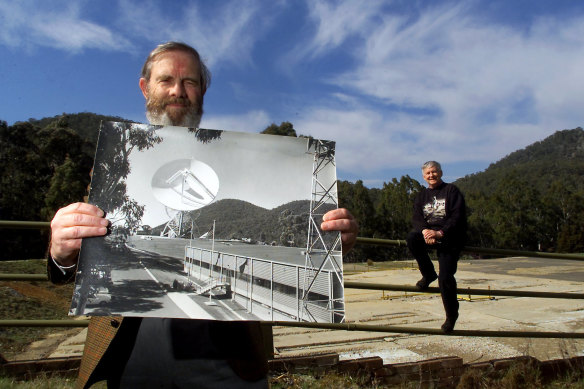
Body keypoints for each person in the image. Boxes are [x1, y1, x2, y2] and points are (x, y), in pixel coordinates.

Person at [48, 41, 359, 388]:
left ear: (203, 91)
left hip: (229, 367)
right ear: (144, 87)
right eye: (166, 80)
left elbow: (321, 254)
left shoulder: (240, 152)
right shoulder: (115, 161)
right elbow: (76, 266)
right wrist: (62, 252)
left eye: (190, 82)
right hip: (130, 364)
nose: (178, 91)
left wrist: (332, 243)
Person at [406, 161, 467, 333]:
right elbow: (417, 217)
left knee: (445, 278)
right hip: (429, 233)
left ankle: (451, 316)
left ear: (440, 172)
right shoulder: (421, 196)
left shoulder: (451, 191)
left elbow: (457, 216)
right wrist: (425, 231)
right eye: (428, 173)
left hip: (449, 237)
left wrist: (440, 233)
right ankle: (428, 273)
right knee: (412, 237)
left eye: (434, 172)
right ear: (424, 176)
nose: (431, 175)